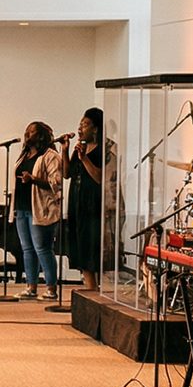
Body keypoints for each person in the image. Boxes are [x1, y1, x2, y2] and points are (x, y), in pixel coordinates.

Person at [9, 121, 66, 300]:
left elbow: (56, 183)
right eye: (26, 131)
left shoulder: (51, 155)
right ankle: (31, 287)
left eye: (31, 132)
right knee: (27, 249)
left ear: (41, 135)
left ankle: (51, 289)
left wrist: (33, 179)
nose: (27, 134)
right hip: (22, 207)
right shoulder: (24, 154)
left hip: (41, 208)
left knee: (42, 248)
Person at [61, 107, 112, 293]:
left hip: (92, 204)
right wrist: (65, 151)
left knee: (89, 245)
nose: (81, 128)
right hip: (76, 201)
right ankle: (89, 287)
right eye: (80, 124)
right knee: (77, 243)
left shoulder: (103, 150)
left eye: (85, 124)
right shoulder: (79, 148)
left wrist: (84, 159)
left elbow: (99, 178)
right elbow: (67, 174)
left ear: (96, 129)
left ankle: (93, 289)